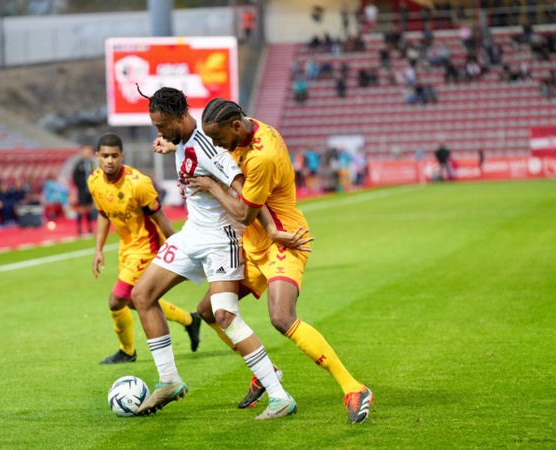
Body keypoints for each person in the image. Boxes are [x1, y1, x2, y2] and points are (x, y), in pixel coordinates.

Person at [187, 98, 373, 424]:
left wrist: (214, 188)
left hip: (285, 240)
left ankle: (354, 387)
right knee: (208, 311)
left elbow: (245, 211)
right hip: (256, 242)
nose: (217, 145)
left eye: (219, 138)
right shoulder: (242, 129)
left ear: (235, 127)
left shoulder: (262, 156)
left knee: (282, 317)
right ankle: (264, 370)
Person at [131, 86, 297, 419]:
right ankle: (169, 380)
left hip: (222, 239)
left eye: (163, 126)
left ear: (181, 117)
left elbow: (246, 195)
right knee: (141, 295)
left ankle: (280, 396)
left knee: (224, 316)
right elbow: (185, 151)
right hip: (192, 232)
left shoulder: (211, 148)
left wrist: (273, 229)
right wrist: (169, 145)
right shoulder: (181, 139)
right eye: (156, 128)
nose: (159, 132)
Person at [88, 132, 201, 364]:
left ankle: (127, 352)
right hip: (127, 248)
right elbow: (103, 215)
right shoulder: (94, 181)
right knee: (135, 300)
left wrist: (180, 248)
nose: (110, 160)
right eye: (105, 156)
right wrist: (98, 249)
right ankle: (190, 320)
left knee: (116, 300)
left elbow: (161, 220)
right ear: (97, 156)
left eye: (114, 156)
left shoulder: (138, 184)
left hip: (147, 247)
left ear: (122, 156)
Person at [72, 145, 97, 235]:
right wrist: (80, 187)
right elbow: (75, 177)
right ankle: (79, 229)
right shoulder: (79, 164)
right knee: (81, 208)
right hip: (82, 189)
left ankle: (90, 228)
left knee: (89, 208)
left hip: (89, 189)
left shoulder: (91, 164)